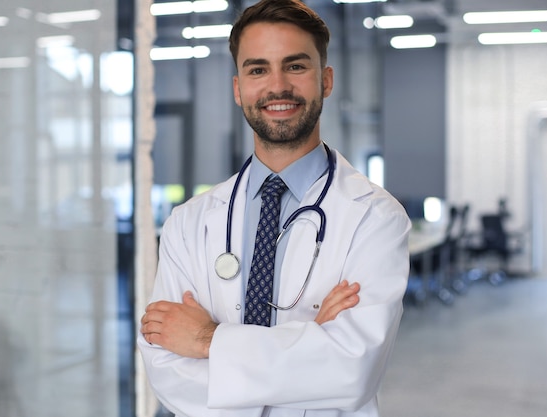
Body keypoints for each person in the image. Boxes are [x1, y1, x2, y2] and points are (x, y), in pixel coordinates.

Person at [138, 0, 411, 416]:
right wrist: (310, 345)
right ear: (238, 88)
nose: (277, 85)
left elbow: (353, 370)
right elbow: (166, 367)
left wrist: (208, 341)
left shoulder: (375, 218)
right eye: (258, 69)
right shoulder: (189, 222)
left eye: (296, 66)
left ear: (326, 80)